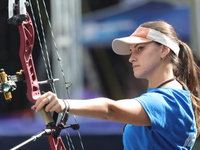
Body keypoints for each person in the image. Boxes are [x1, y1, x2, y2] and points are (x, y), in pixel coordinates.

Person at [32, 20, 200, 150]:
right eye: (131, 51)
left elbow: (109, 110)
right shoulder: (172, 95)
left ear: (164, 50)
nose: (131, 58)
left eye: (140, 49)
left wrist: (64, 104)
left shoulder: (168, 101)